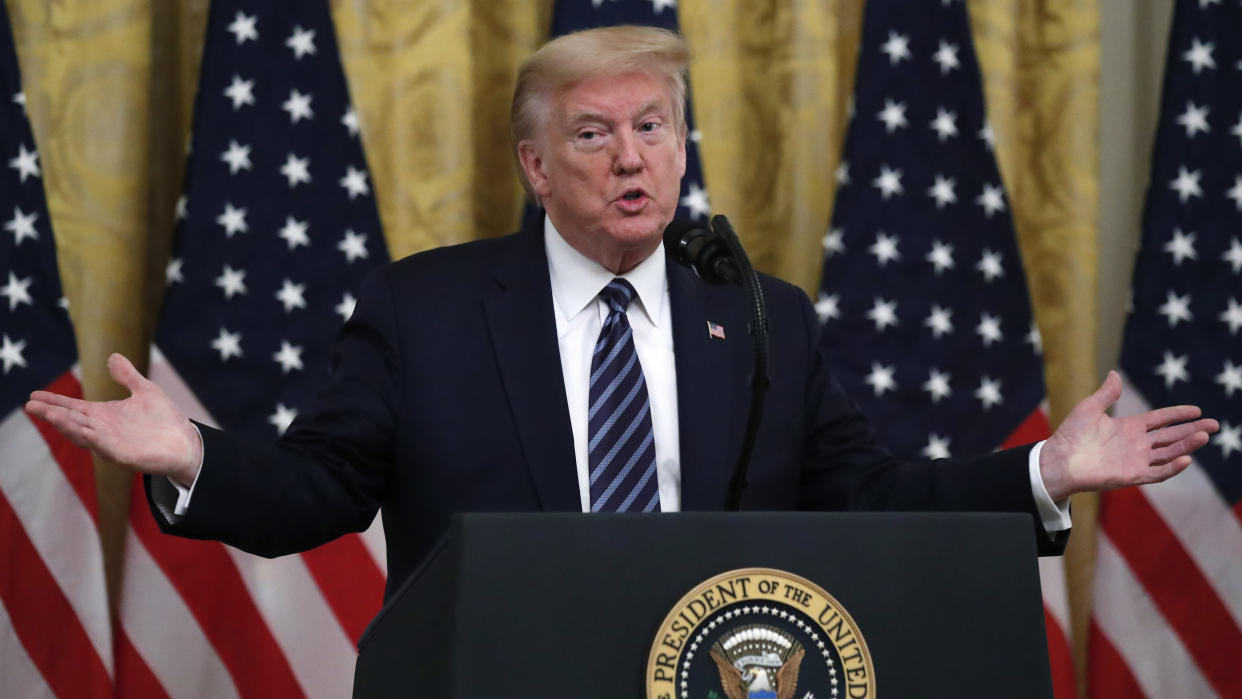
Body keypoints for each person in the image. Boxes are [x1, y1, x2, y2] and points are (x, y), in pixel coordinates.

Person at [26, 26, 1217, 597]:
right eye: (593, 134)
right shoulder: (428, 309)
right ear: (536, 168)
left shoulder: (762, 317)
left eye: (654, 128)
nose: (631, 158)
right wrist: (190, 454)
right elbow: (322, 493)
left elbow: (864, 495)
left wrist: (1044, 474)